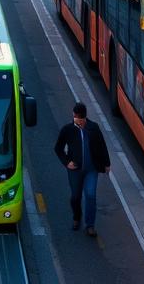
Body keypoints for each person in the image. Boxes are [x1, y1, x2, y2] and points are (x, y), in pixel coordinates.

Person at [54, 102, 110, 237]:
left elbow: (102, 145)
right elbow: (58, 148)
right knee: (75, 197)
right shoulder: (67, 130)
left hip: (91, 170)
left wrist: (106, 163)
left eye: (78, 118)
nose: (75, 120)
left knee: (90, 195)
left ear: (84, 118)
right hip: (75, 170)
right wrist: (67, 162)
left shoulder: (93, 128)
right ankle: (77, 217)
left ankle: (90, 225)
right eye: (74, 117)